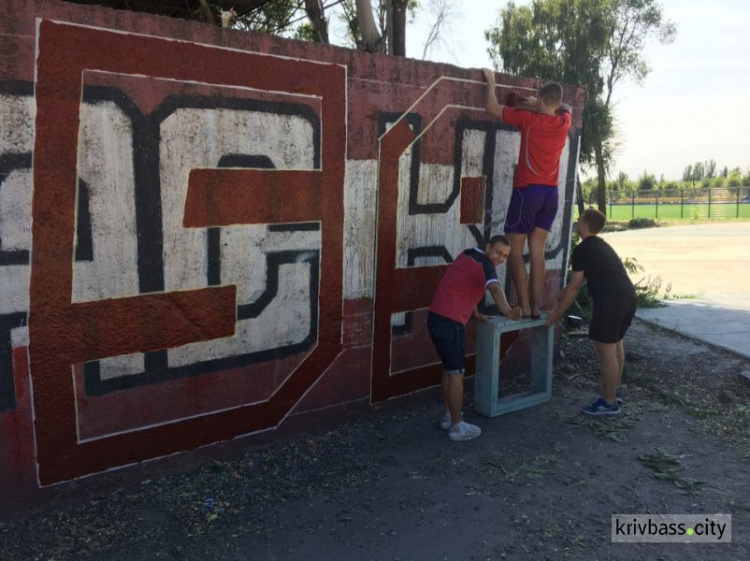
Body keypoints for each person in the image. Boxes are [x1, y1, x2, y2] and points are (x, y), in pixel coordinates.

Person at [482, 68, 572, 319]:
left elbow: (492, 107)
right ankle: (537, 306)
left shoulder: (529, 119)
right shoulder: (564, 122)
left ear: (541, 99)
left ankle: (524, 305)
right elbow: (564, 106)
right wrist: (541, 103)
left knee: (514, 251)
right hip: (550, 194)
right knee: (537, 252)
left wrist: (491, 81)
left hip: (527, 192)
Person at [427, 236, 522, 441]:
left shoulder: (468, 254)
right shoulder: (486, 264)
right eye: (498, 253)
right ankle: (456, 426)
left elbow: (467, 285)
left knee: (449, 369)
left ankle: (448, 416)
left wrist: (475, 314)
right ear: (488, 247)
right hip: (450, 323)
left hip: (436, 318)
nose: (500, 259)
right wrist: (507, 311)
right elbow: (494, 288)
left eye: (505, 256)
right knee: (457, 374)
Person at [545, 209, 637, 415]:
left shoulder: (582, 249)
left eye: (579, 220)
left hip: (610, 301)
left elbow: (576, 286)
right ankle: (615, 392)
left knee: (605, 351)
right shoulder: (601, 246)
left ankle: (608, 403)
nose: (576, 223)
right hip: (627, 297)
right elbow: (577, 282)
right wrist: (556, 298)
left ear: (584, 225)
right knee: (615, 345)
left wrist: (555, 315)